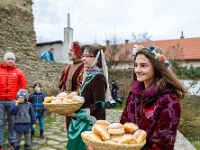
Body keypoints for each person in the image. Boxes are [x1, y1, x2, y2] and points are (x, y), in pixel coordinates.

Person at [119, 45, 189, 150]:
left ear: (156, 67)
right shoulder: (134, 95)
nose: (137, 70)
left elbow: (163, 146)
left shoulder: (169, 101)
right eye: (136, 65)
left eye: (143, 65)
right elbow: (122, 128)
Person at [66, 44, 110, 150]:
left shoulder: (98, 77)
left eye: (87, 56)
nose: (83, 59)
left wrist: (75, 114)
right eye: (83, 56)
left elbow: (99, 105)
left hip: (89, 124)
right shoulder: (89, 75)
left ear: (97, 58)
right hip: (80, 122)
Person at [0, 52, 27, 150]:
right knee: (0, 122)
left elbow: (23, 86)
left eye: (12, 59)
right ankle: (0, 143)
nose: (10, 60)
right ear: (5, 60)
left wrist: (20, 98)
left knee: (12, 122)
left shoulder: (19, 72)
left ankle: (12, 141)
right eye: (8, 58)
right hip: (0, 101)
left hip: (13, 101)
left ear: (14, 60)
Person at [58, 41, 84, 130]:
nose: (69, 52)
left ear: (78, 52)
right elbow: (62, 87)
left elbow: (83, 89)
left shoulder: (84, 68)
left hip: (79, 106)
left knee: (79, 131)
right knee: (69, 130)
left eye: (72, 50)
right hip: (67, 105)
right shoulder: (67, 68)